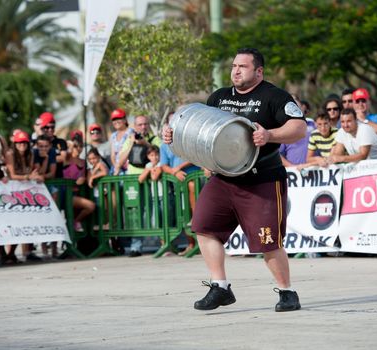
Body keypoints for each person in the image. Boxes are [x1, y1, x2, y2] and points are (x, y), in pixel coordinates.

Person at [163, 48, 306, 312]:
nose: (236, 71)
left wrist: (270, 135)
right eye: (233, 66)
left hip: (262, 180)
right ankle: (221, 287)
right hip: (224, 178)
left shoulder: (274, 96)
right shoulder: (218, 97)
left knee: (268, 242)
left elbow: (299, 127)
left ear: (258, 71)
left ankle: (288, 292)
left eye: (243, 66)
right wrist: (174, 134)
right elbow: (199, 130)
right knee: (203, 226)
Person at [118, 114, 162, 256]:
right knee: (135, 213)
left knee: (153, 211)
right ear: (135, 126)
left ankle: (161, 242)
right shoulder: (129, 139)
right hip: (134, 182)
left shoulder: (154, 139)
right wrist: (132, 142)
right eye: (140, 125)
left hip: (152, 180)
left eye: (145, 124)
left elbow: (160, 155)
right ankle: (136, 246)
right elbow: (120, 161)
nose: (143, 127)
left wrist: (145, 144)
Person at [160, 113, 200, 256]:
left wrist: (179, 168)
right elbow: (163, 165)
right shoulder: (163, 144)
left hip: (195, 179)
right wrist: (174, 172)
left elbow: (195, 156)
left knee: (195, 207)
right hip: (176, 183)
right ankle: (190, 243)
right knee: (183, 213)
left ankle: (199, 241)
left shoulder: (189, 138)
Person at [4, 130, 42, 263]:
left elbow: (29, 171)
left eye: (24, 142)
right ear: (15, 143)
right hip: (12, 190)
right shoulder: (10, 154)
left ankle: (27, 251)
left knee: (28, 221)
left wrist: (34, 175)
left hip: (25, 189)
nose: (22, 145)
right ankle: (10, 253)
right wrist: (28, 176)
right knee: (15, 222)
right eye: (19, 142)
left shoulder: (30, 154)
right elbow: (13, 175)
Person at [109, 108, 134, 176]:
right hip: (116, 170)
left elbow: (129, 150)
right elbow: (113, 155)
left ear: (125, 120)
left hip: (128, 169)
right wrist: (116, 167)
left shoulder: (131, 132)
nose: (116, 121)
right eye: (114, 119)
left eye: (119, 118)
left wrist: (119, 166)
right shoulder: (113, 136)